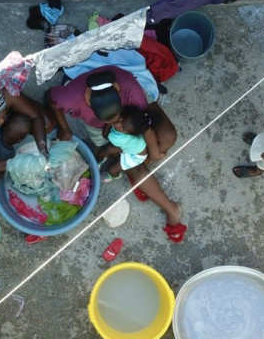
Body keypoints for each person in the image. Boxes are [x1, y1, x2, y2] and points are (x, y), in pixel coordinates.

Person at [48, 67, 187, 242]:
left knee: (167, 138)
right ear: (87, 98)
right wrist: (65, 128)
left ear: (118, 90)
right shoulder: (72, 96)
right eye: (110, 121)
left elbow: (145, 125)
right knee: (135, 165)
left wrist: (151, 153)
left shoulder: (131, 89)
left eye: (116, 119)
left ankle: (138, 168)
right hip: (111, 127)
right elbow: (51, 99)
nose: (115, 124)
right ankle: (171, 207)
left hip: (133, 118)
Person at [97, 105, 156, 182]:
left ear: (127, 133)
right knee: (106, 150)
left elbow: (105, 135)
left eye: (122, 128)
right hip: (130, 146)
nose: (117, 124)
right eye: (121, 119)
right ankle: (97, 162)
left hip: (135, 156)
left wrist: (110, 120)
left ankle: (114, 176)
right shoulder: (130, 127)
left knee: (112, 170)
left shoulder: (117, 138)